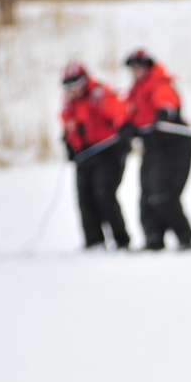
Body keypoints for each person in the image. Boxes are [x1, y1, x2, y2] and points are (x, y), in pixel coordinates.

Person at [122, 48, 191, 252]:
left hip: (174, 146)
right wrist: (127, 126)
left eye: (140, 66)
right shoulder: (135, 91)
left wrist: (163, 113)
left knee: (163, 195)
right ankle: (153, 239)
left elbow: (167, 103)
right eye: (133, 67)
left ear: (148, 66)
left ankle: (186, 238)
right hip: (152, 147)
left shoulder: (159, 83)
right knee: (146, 196)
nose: (136, 71)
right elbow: (129, 113)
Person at [60, 61, 132, 251]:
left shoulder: (101, 94)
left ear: (84, 81)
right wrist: (70, 144)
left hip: (108, 151)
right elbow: (69, 125)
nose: (72, 89)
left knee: (104, 194)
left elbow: (119, 111)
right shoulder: (69, 103)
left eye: (76, 83)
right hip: (85, 154)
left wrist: (124, 128)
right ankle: (94, 241)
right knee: (84, 196)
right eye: (68, 85)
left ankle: (121, 240)